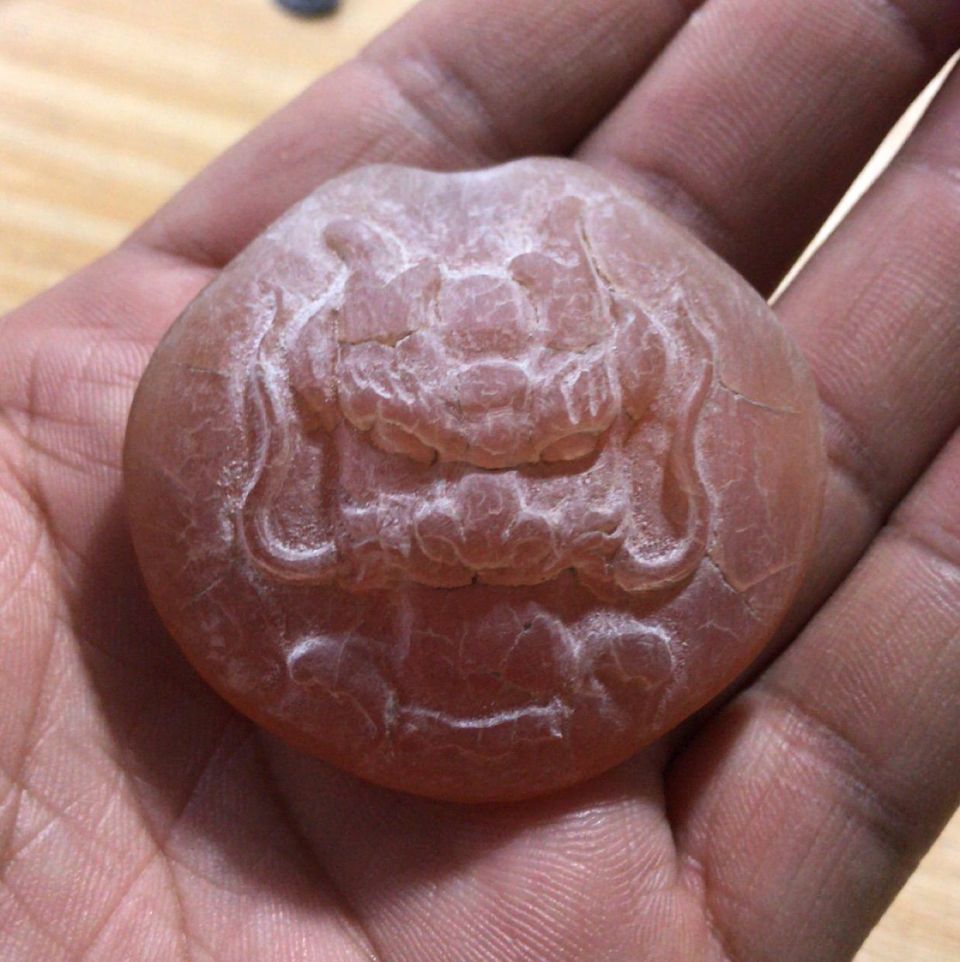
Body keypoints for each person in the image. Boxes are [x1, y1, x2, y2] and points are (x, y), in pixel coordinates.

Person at [0, 0, 958, 958]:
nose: (480, 503)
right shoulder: (356, 392)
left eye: (554, 450)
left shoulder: (589, 399)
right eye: (413, 445)